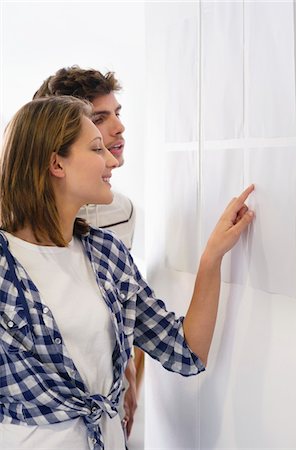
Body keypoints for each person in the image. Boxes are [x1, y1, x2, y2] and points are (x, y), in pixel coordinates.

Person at [0, 95, 254, 450]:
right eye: (96, 149)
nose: (110, 160)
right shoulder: (5, 265)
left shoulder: (107, 254)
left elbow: (187, 352)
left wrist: (211, 258)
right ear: (56, 163)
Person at [33, 65, 141, 437]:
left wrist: (127, 374)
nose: (117, 128)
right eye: (99, 119)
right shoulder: (14, 227)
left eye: (117, 114)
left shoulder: (119, 213)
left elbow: (121, 306)